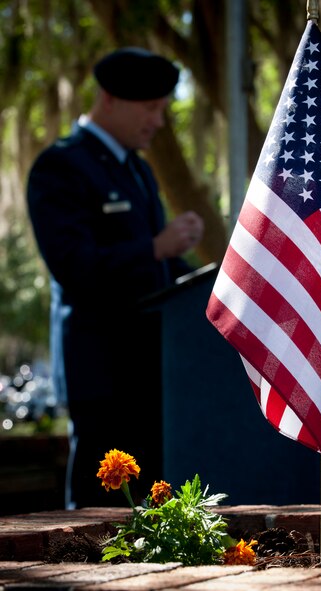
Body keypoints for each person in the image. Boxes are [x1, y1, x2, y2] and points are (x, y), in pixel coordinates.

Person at [27, 47, 204, 509]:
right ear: (110, 99)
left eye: (162, 108)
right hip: (102, 376)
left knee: (151, 514)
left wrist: (210, 280)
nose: (158, 121)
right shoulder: (61, 165)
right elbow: (72, 264)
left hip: (155, 373)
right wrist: (155, 247)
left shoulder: (138, 170)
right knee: (96, 517)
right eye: (150, 108)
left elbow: (162, 272)